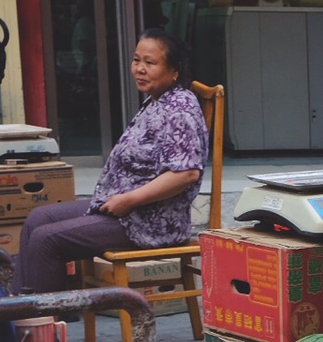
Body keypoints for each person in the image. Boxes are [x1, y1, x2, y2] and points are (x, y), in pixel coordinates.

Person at [18, 31, 206, 292]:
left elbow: (185, 174)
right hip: (125, 208)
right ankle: (23, 308)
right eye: (136, 60)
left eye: (150, 63)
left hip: (151, 221)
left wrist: (129, 200)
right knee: (39, 218)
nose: (140, 69)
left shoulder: (180, 110)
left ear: (174, 70)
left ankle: (42, 321)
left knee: (45, 240)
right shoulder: (157, 101)